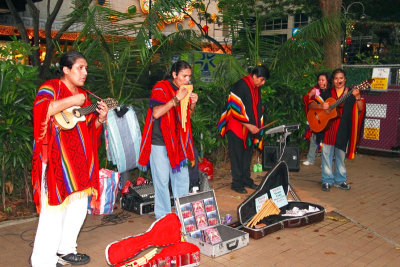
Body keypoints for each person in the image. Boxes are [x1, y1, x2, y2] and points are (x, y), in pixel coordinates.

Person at [31, 51, 109, 266]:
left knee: (77, 210)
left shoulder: (86, 96)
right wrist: (72, 99)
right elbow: (41, 111)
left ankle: (65, 250)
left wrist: (101, 118)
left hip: (79, 165)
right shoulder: (51, 87)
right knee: (52, 214)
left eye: (86, 68)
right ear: (66, 70)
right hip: (56, 161)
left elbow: (89, 130)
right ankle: (43, 261)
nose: (85, 72)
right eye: (80, 68)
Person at [138, 60, 198, 219]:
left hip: (178, 145)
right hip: (159, 143)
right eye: (184, 76)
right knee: (162, 182)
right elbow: (156, 113)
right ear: (174, 74)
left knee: (182, 181)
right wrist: (175, 99)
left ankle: (183, 216)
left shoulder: (184, 90)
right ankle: (163, 218)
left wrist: (192, 105)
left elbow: (186, 119)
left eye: (189, 77)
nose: (187, 80)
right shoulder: (160, 87)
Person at [308, 68, 365, 191]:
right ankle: (327, 180)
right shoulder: (328, 92)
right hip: (328, 128)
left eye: (341, 78)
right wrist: (321, 105)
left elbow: (360, 108)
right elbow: (311, 104)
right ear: (333, 80)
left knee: (340, 156)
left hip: (343, 129)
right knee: (326, 155)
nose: (338, 80)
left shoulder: (351, 93)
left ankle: (340, 180)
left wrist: (358, 97)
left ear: (345, 79)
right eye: (336, 78)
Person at [218, 65, 270, 194]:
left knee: (247, 155)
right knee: (237, 155)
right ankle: (236, 183)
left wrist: (257, 125)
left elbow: (257, 108)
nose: (262, 83)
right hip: (236, 127)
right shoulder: (240, 85)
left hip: (249, 129)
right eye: (262, 80)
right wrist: (249, 125)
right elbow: (233, 107)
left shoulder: (255, 87)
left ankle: (246, 179)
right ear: (254, 76)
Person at [302, 73, 329, 165]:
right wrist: (310, 95)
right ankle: (310, 159)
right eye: (319, 80)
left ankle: (325, 162)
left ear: (327, 81)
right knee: (313, 139)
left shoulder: (331, 92)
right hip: (316, 118)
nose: (320, 82)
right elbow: (307, 102)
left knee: (325, 141)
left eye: (323, 80)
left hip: (326, 120)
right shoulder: (315, 90)